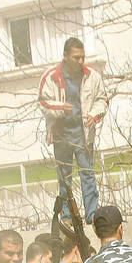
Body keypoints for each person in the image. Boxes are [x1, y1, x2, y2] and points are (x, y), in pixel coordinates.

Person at [39, 38, 107, 225]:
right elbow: (43, 102)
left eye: (82, 57)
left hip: (83, 135)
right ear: (66, 56)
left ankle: (92, 214)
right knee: (64, 177)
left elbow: (102, 99)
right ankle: (67, 216)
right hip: (61, 135)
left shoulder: (92, 75)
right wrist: (62, 108)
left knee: (88, 173)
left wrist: (95, 114)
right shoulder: (51, 76)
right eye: (76, 57)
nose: (80, 61)